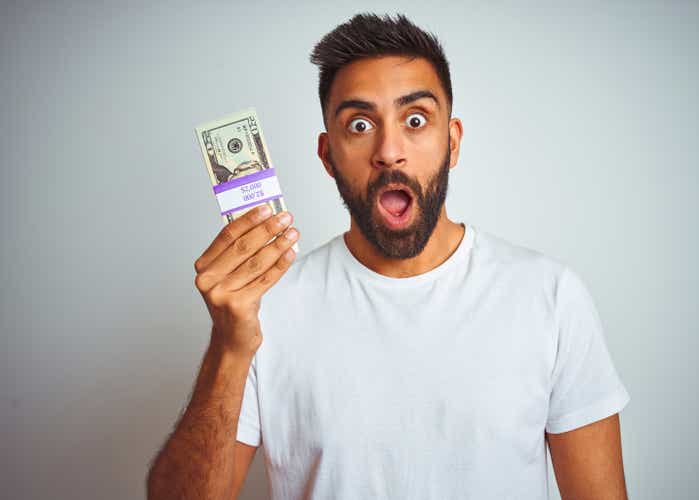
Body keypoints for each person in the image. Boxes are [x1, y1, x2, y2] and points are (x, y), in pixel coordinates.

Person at [147, 13, 631, 500]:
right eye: (359, 124)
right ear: (328, 155)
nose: (389, 150)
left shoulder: (548, 296)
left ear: (453, 141)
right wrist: (229, 347)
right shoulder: (268, 310)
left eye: (415, 119)